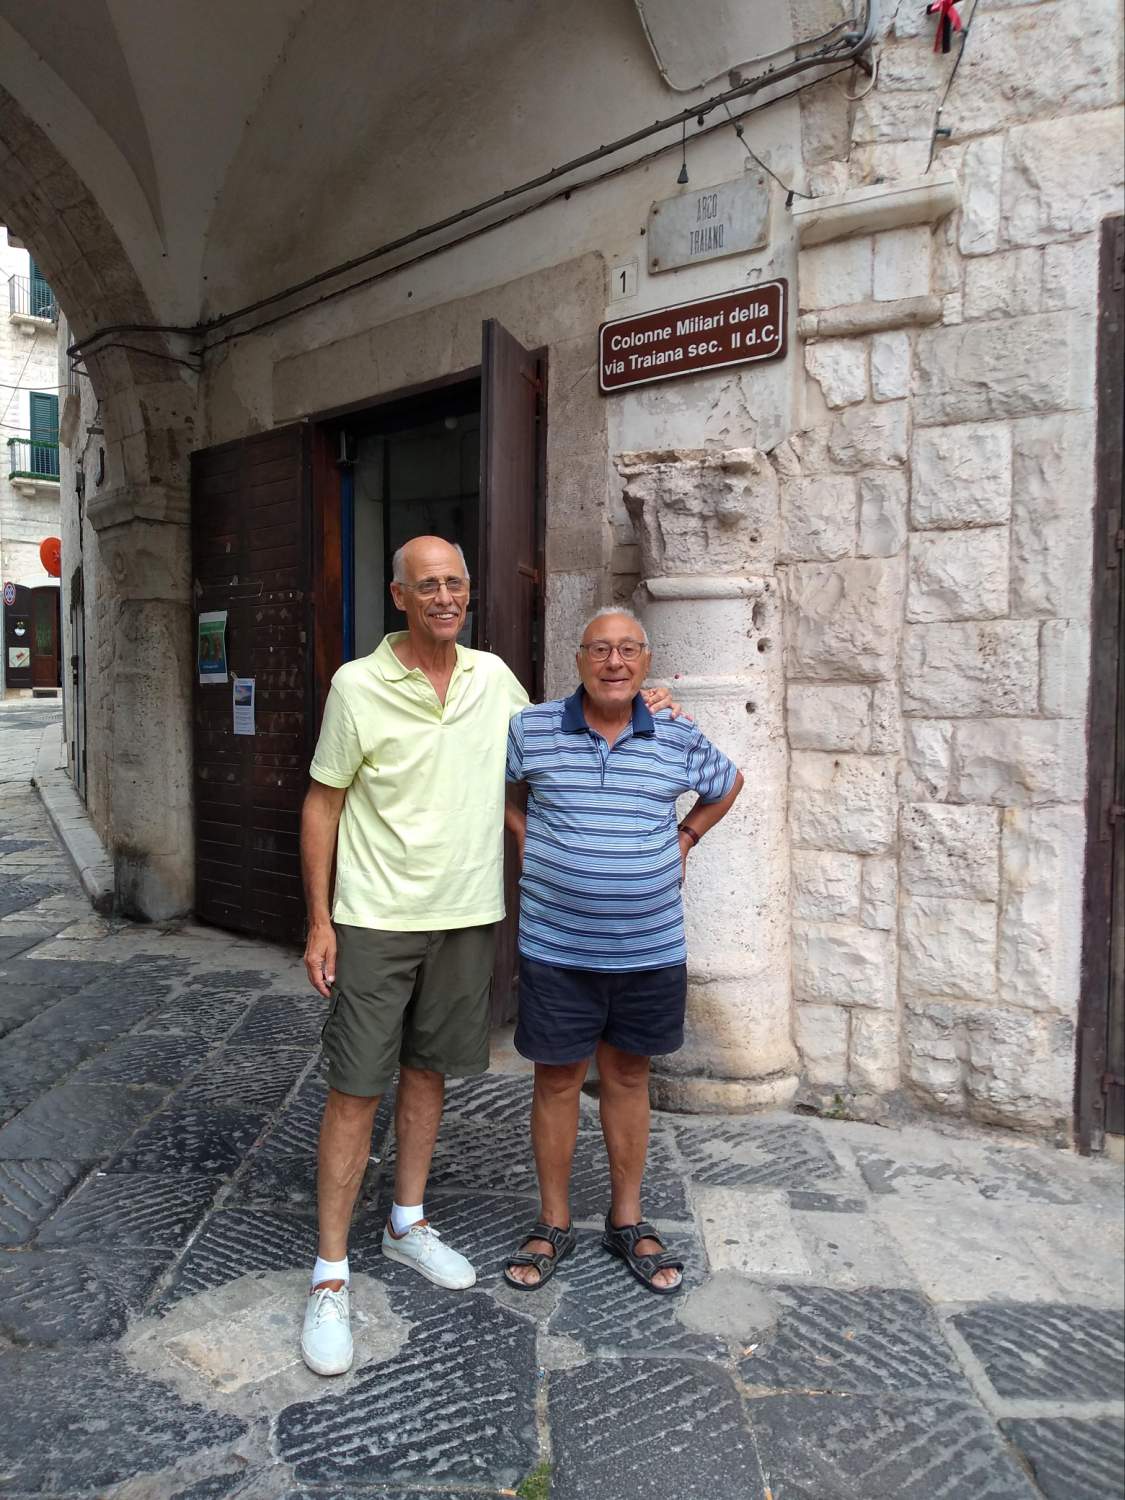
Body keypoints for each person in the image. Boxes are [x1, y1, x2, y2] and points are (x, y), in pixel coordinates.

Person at [298, 538, 679, 1375]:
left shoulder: (493, 679)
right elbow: (323, 804)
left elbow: (555, 736)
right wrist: (319, 921)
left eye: (456, 584)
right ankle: (329, 1274)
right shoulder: (356, 685)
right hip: (375, 916)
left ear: (469, 594)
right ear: (399, 595)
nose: (445, 597)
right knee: (355, 1088)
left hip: (468, 915)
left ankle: (406, 1222)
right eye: (428, 585)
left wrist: (633, 694)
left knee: (428, 1072)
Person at [501, 607, 742, 1295]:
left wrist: (686, 837)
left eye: (628, 650)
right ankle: (552, 1220)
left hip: (648, 947)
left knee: (629, 1078)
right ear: (577, 659)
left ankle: (626, 1219)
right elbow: (505, 790)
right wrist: (524, 836)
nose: (614, 662)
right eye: (600, 649)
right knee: (556, 1081)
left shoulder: (675, 731)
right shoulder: (531, 728)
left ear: (646, 661)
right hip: (555, 946)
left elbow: (727, 783)